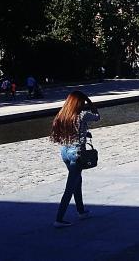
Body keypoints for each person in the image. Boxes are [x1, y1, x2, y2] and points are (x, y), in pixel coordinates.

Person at [50, 91, 100, 228]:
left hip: (65, 151)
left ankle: (81, 211)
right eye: (83, 102)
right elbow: (97, 116)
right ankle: (59, 219)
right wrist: (90, 103)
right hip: (76, 153)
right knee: (70, 187)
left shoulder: (63, 114)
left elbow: (73, 131)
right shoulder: (83, 115)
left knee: (77, 179)